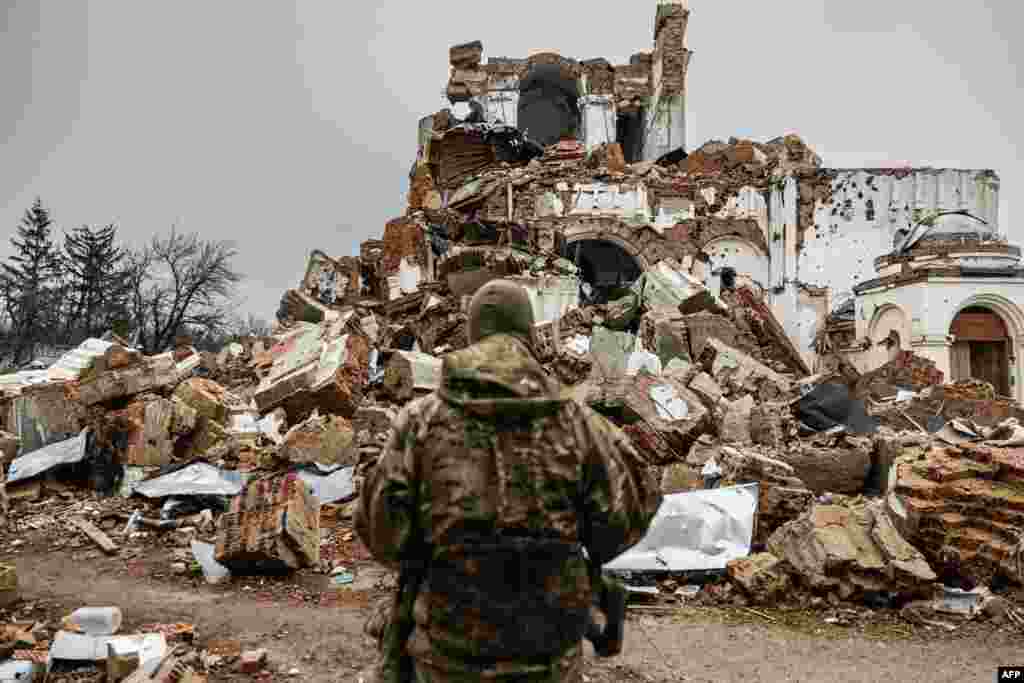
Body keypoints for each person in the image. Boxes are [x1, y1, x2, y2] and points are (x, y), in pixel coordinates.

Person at [356, 279, 661, 683]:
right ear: (530, 334)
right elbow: (626, 517)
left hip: (448, 657)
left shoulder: (420, 421)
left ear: (471, 335)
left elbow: (382, 534)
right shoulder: (577, 423)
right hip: (549, 659)